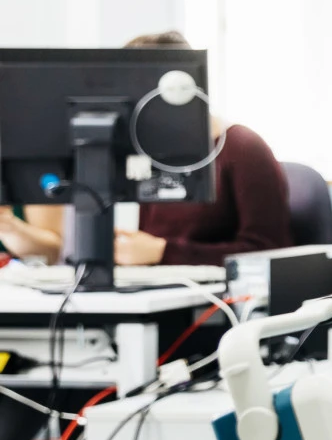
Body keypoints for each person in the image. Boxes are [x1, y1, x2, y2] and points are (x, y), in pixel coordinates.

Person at [0, 32, 291, 267]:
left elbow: (272, 251)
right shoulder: (137, 154)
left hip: (211, 309)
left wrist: (163, 253)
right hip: (145, 293)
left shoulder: (241, 148)